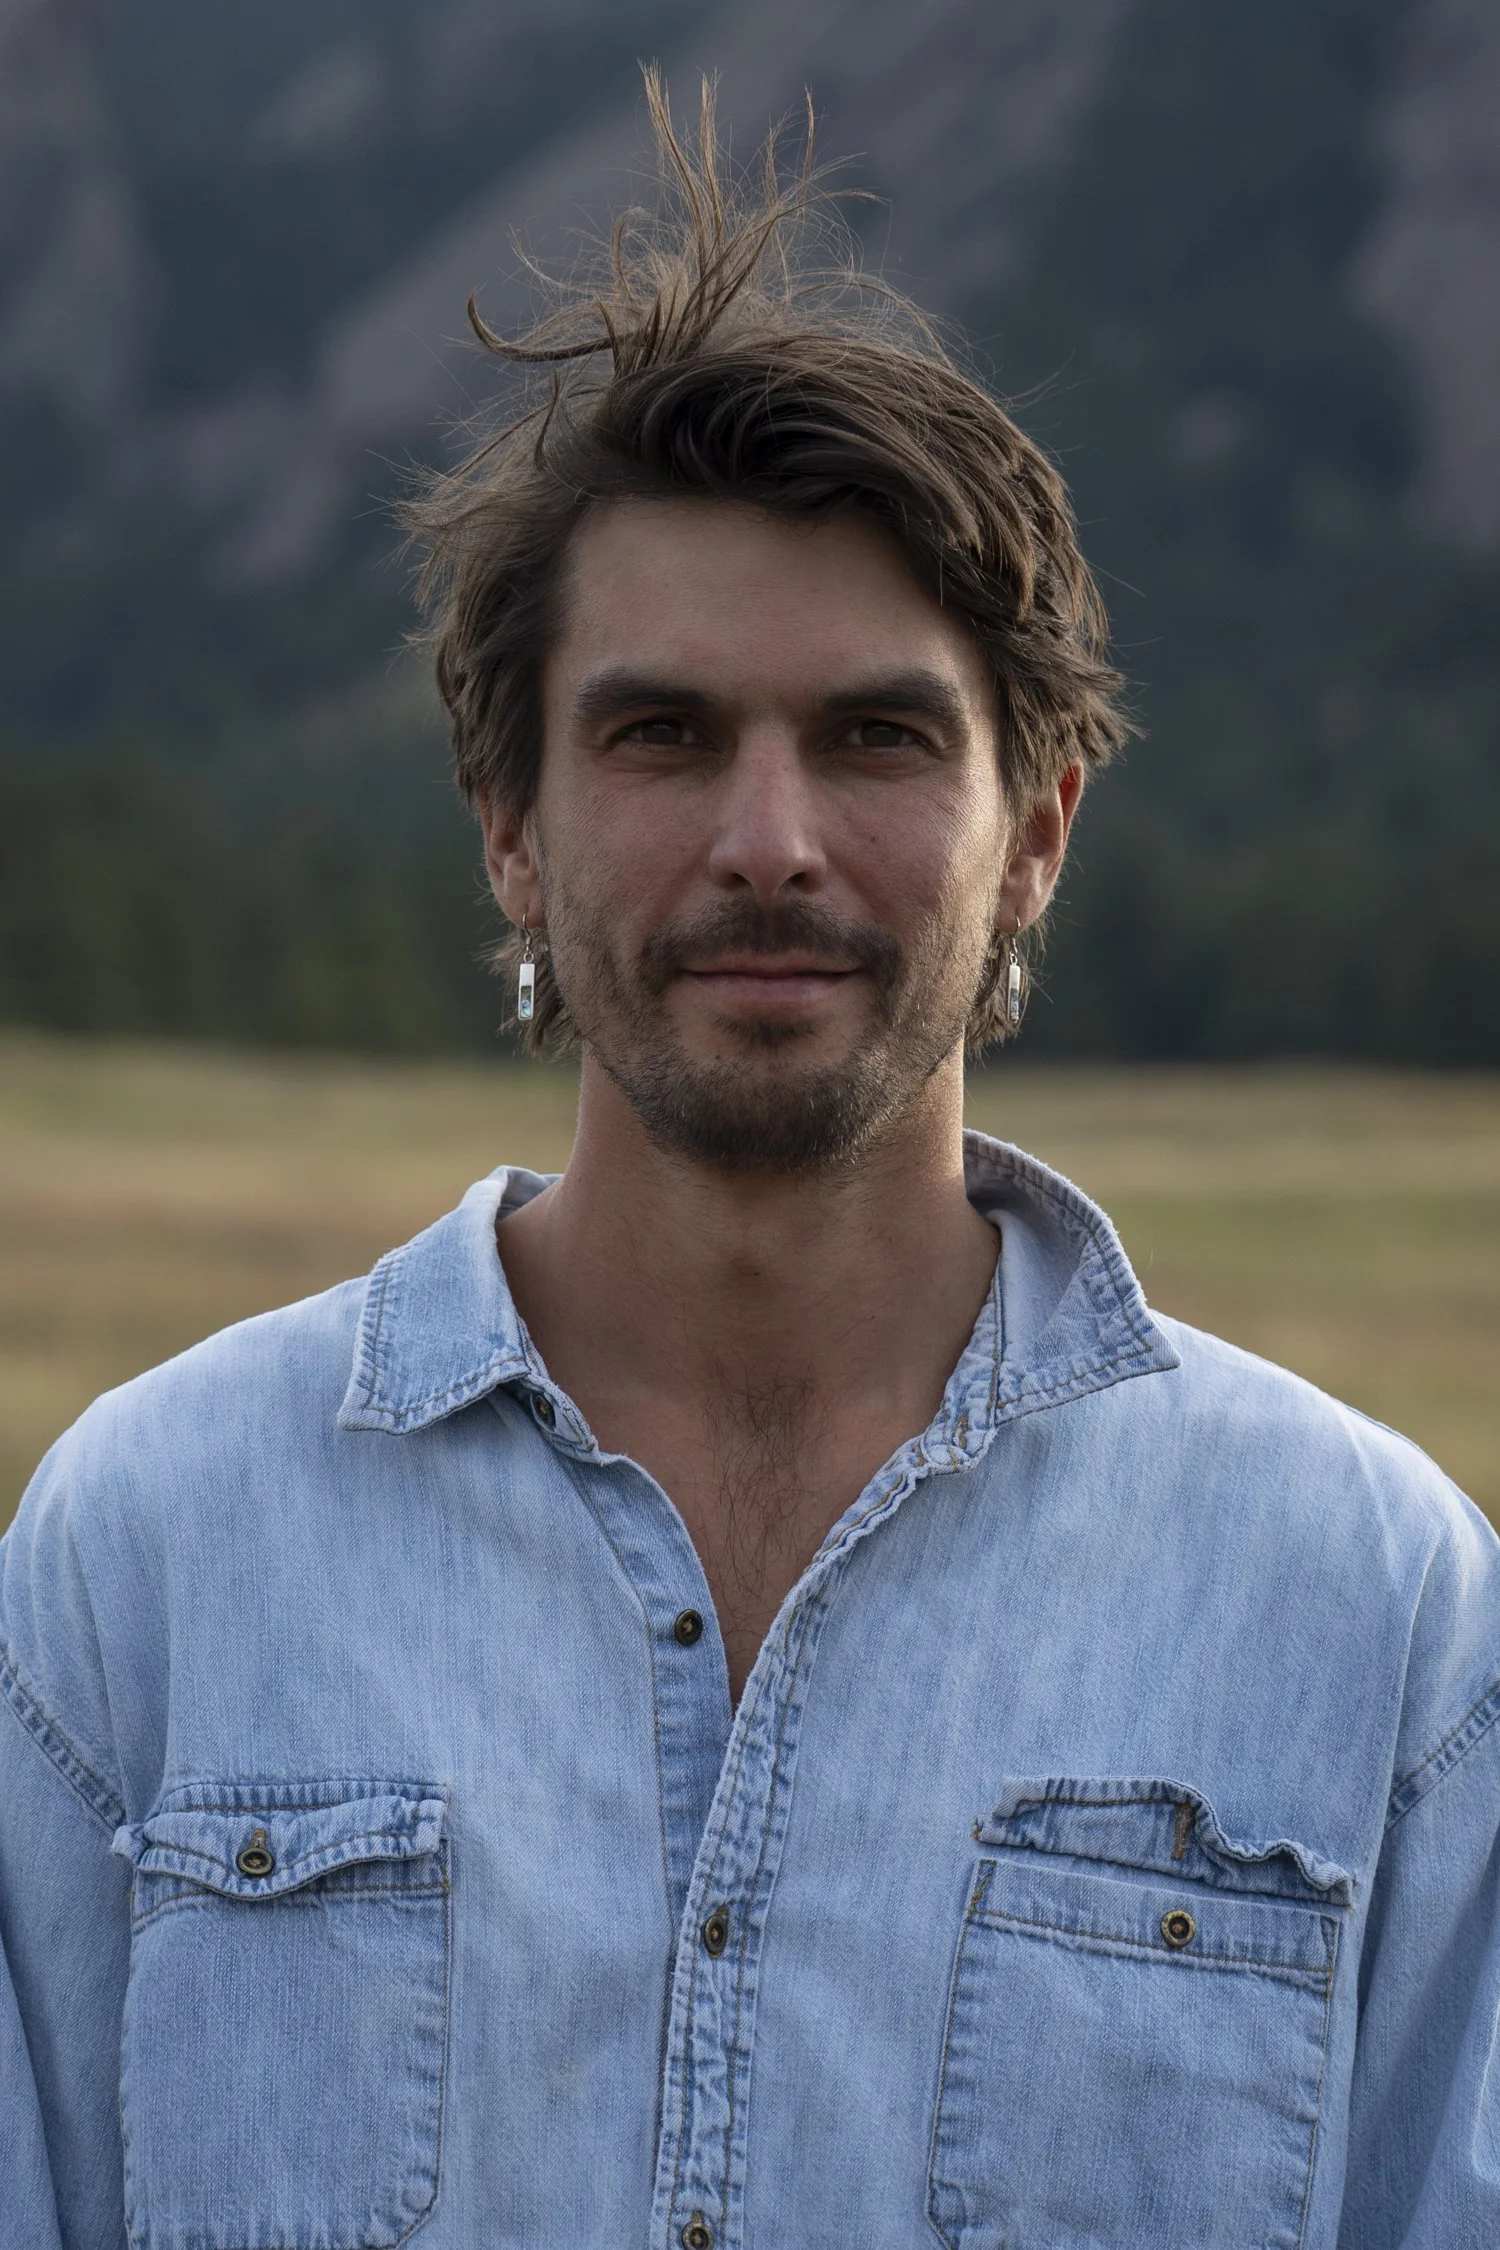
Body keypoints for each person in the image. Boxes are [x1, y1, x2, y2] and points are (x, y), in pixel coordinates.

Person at [3, 79, 1497, 2250]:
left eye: (880, 736)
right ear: (511, 824)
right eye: (660, 734)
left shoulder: (1380, 1615)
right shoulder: (140, 1560)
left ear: (1041, 832)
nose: (769, 840)